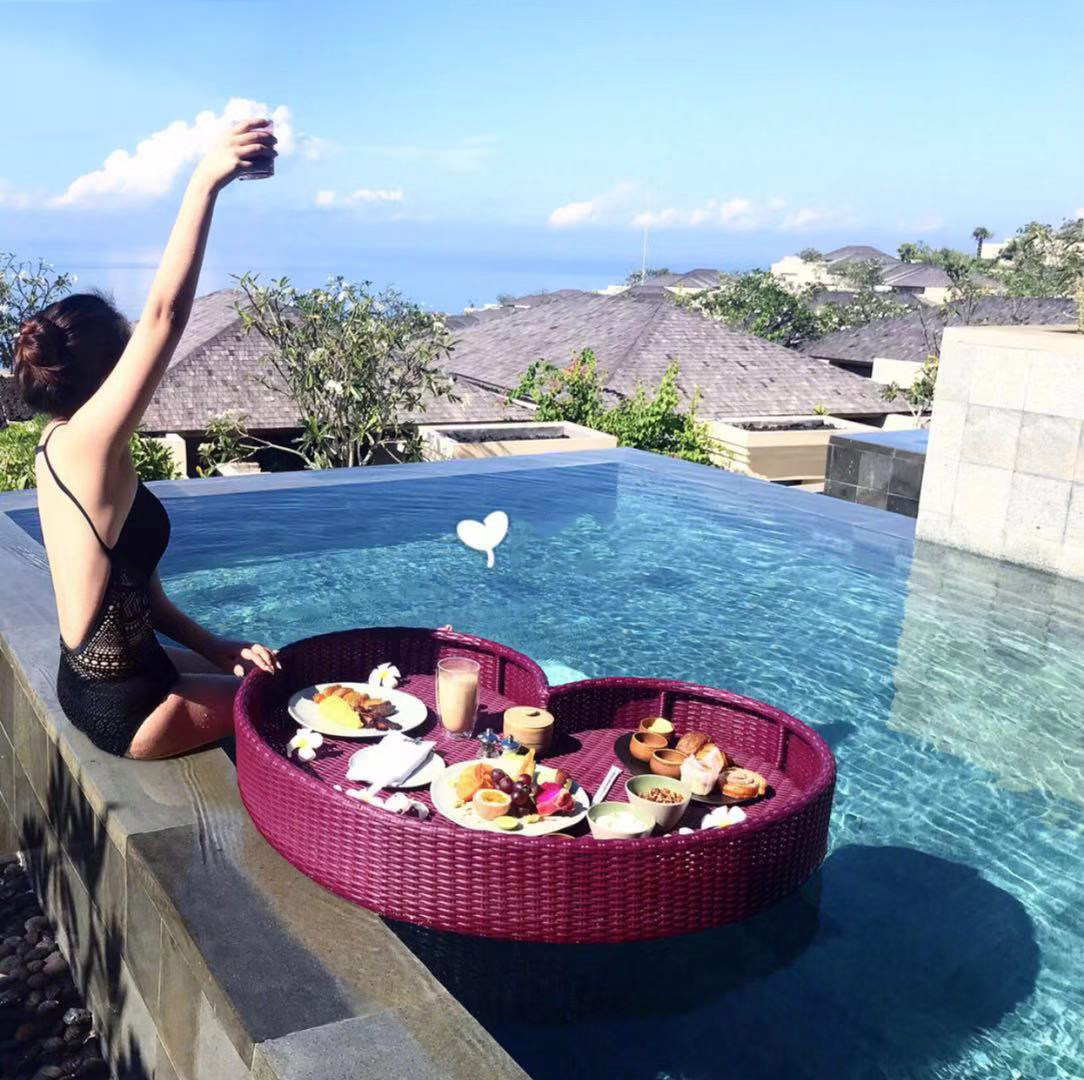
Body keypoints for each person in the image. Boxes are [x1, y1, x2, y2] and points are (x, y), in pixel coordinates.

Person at [13, 119, 281, 759]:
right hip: (127, 709)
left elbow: (142, 598)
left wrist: (213, 645)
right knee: (292, 704)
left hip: (122, 678)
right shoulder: (86, 448)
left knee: (266, 677)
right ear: (110, 371)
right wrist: (207, 181)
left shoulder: (68, 444)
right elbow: (166, 315)